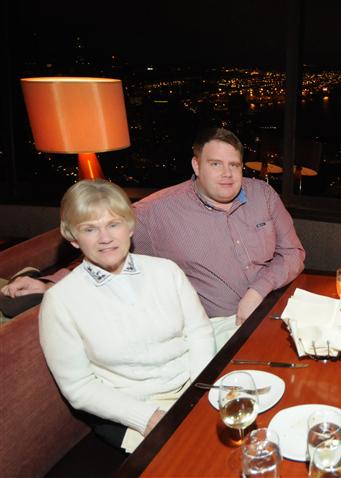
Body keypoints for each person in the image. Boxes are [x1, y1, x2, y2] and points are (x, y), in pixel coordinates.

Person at [8, 127, 305, 347]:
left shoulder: (263, 194)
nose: (227, 174)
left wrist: (257, 291)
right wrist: (50, 282)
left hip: (279, 303)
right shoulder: (156, 212)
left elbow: (293, 253)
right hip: (221, 330)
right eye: (216, 164)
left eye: (234, 165)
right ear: (196, 165)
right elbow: (105, 247)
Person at [39, 180, 216, 453]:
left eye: (113, 224)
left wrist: (198, 391)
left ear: (130, 227)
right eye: (89, 229)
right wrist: (147, 418)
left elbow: (199, 332)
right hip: (132, 410)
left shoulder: (166, 270)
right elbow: (79, 387)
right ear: (73, 238)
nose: (105, 238)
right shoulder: (60, 300)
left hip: (192, 384)